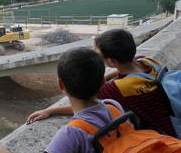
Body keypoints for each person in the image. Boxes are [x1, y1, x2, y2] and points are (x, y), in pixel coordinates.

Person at [27, 29, 176, 137]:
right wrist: (109, 75)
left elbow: (85, 103)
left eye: (97, 54)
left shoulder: (116, 89)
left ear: (111, 61)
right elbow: (128, 73)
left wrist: (51, 111)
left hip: (165, 136)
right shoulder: (146, 60)